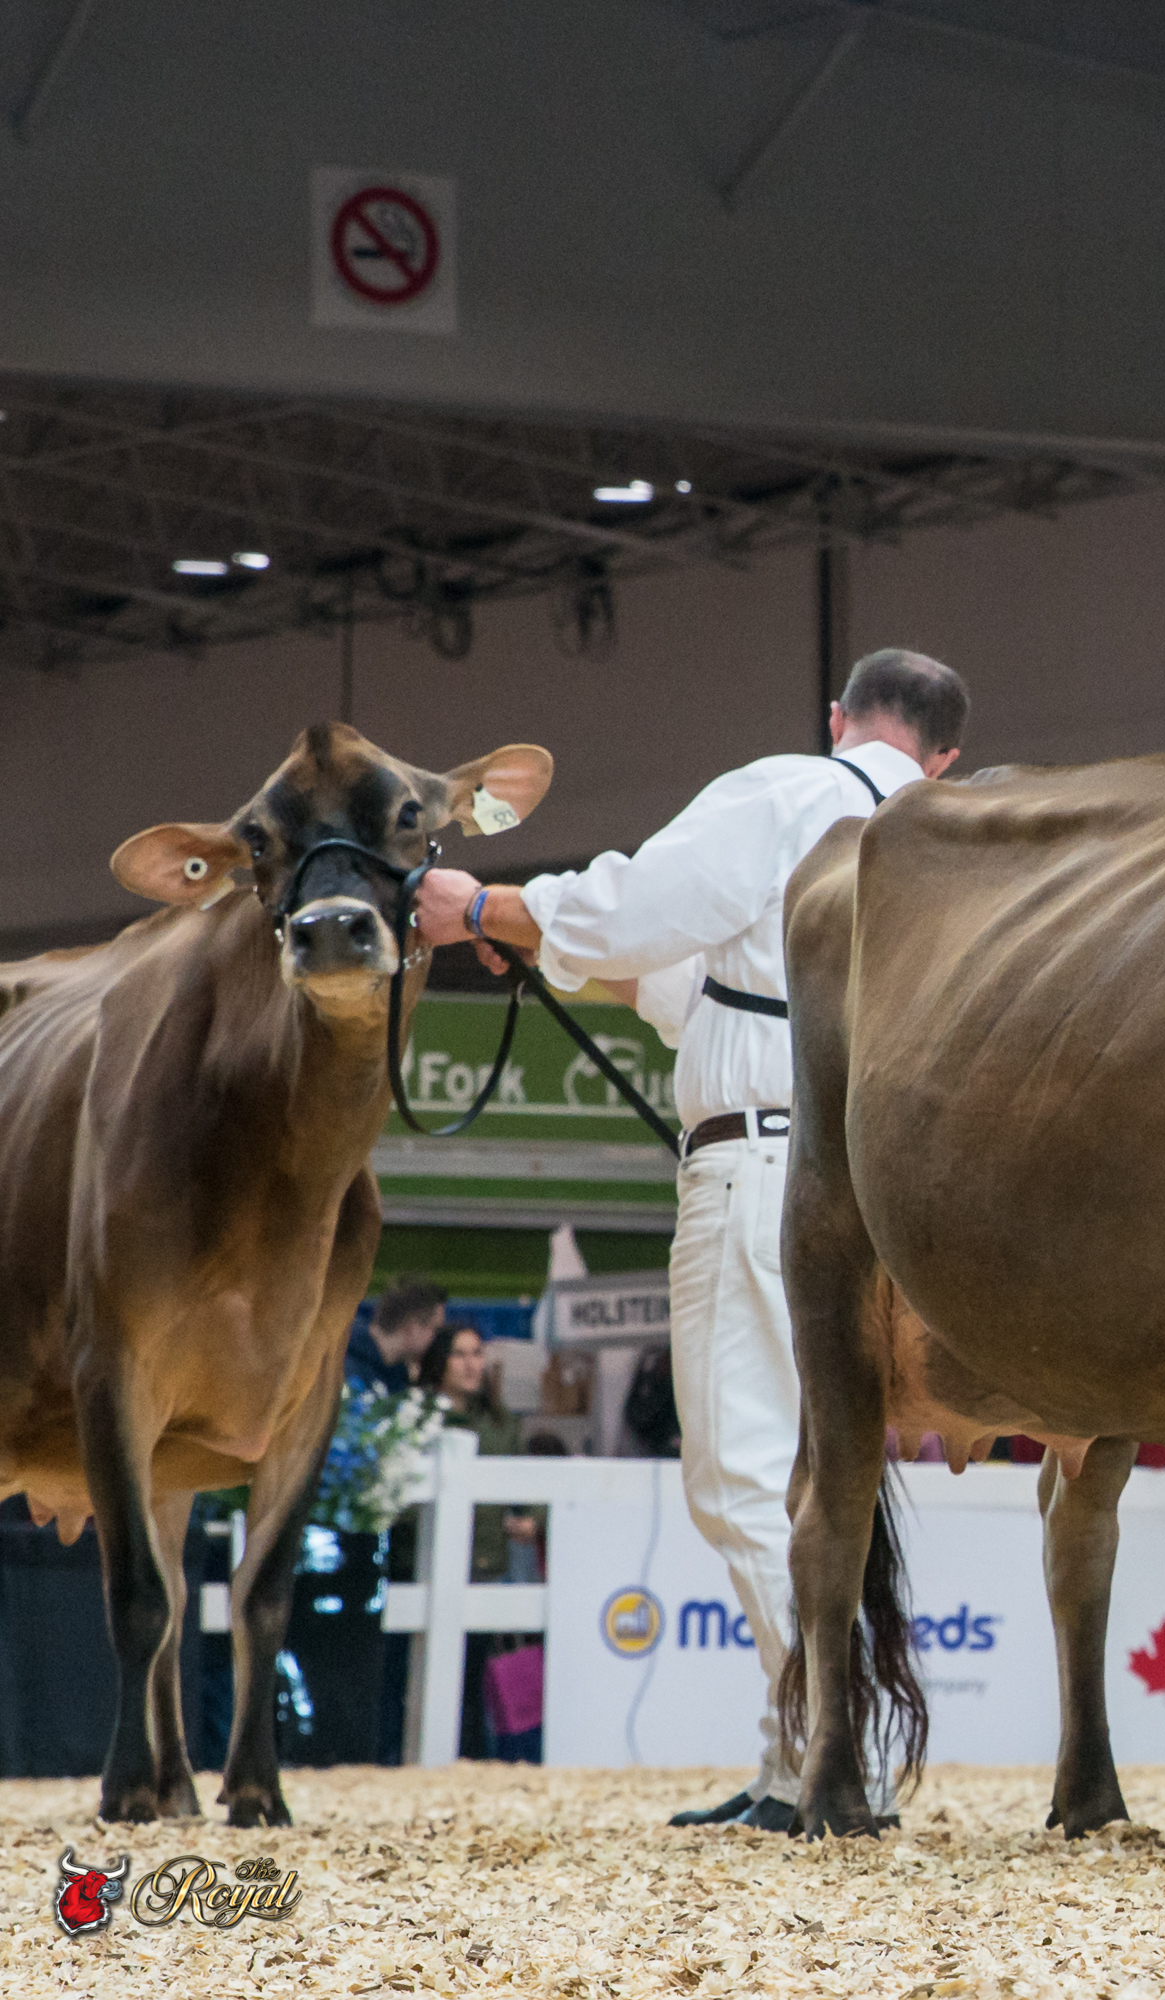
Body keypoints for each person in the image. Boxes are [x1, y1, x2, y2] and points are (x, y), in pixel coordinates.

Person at [412, 647, 970, 1833]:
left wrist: (487, 908)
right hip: (884, 1187)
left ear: (836, 717)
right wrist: (544, 941)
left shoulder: (792, 791)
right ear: (945, 756)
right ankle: (796, 1755)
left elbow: (636, 906)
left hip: (762, 1166)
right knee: (822, 1473)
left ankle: (837, 1752)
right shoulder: (948, 841)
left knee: (742, 1474)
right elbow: (693, 984)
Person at [414, 1320, 537, 1583]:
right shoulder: (414, 1419)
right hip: (422, 1562)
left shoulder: (500, 1423)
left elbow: (527, 1485)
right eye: (459, 1355)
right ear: (439, 1361)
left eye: (477, 1354)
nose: (471, 1365)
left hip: (487, 1565)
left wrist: (533, 1519)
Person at [347, 1277, 446, 1398]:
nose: (435, 1339)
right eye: (435, 1329)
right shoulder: (348, 1372)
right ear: (413, 1327)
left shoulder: (394, 1373)